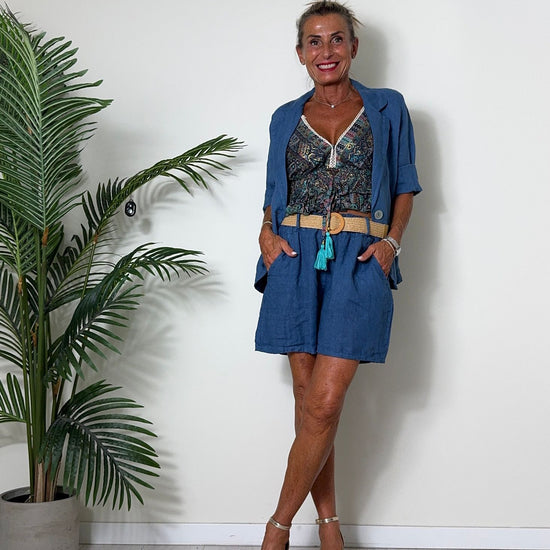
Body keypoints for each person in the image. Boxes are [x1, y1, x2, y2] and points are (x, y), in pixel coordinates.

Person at [254, 2, 421, 549]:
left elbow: (405, 185)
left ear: (353, 46)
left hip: (359, 257)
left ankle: (276, 530)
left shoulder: (387, 107)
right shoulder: (284, 117)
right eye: (314, 41)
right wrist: (265, 233)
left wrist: (391, 244)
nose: (325, 51)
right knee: (309, 403)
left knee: (325, 402)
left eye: (336, 39)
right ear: (300, 53)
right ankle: (330, 527)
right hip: (294, 257)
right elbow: (273, 192)